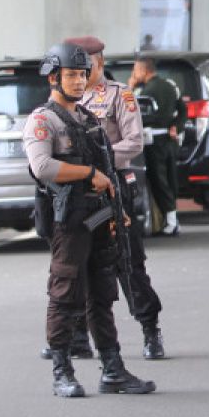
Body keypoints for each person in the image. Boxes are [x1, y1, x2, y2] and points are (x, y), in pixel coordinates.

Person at [23, 42, 154, 398]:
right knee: (65, 293)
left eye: (82, 75)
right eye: (71, 75)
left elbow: (109, 173)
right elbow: (42, 167)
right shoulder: (42, 120)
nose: (80, 82)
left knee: (101, 294)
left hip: (99, 216)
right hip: (69, 221)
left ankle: (113, 369)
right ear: (54, 77)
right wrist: (87, 173)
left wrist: (117, 213)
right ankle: (62, 371)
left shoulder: (89, 119)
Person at [70, 36, 167, 361]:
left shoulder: (118, 95)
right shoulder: (66, 97)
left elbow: (134, 142)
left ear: (99, 61)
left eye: (85, 64)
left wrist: (96, 157)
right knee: (78, 261)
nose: (79, 72)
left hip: (112, 186)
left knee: (127, 261)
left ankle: (149, 328)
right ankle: (79, 335)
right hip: (77, 190)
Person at [129, 57, 184, 236]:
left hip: (153, 140)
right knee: (171, 178)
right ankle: (172, 219)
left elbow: (132, 112)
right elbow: (183, 109)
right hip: (170, 139)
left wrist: (130, 87)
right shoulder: (170, 86)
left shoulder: (145, 91)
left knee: (159, 180)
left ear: (144, 71)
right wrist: (177, 125)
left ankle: (171, 222)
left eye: (136, 71)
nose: (134, 75)